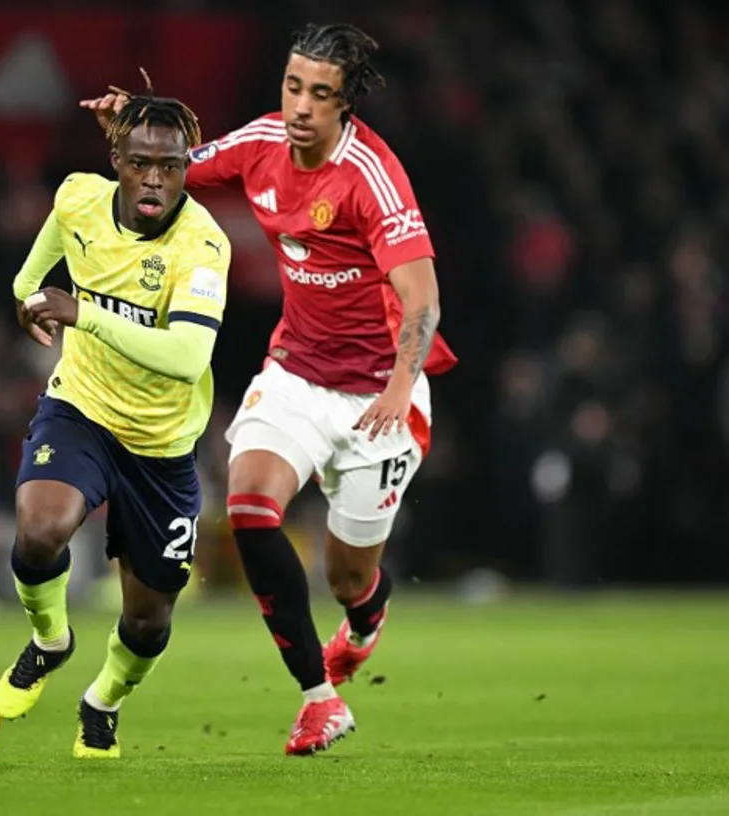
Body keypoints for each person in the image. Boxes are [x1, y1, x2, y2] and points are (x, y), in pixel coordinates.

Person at [81, 23, 456, 755]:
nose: (302, 105)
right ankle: (319, 699)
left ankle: (368, 614)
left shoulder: (371, 177)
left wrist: (398, 388)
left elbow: (422, 299)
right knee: (250, 504)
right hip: (295, 375)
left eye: (321, 93)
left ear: (346, 105)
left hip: (379, 396)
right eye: (293, 86)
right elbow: (176, 164)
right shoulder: (260, 145)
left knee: (348, 576)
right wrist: (133, 123)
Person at [0, 82, 231, 759]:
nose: (154, 179)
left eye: (170, 166)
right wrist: (29, 302)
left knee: (148, 619)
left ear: (186, 167)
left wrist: (83, 313)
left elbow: (187, 357)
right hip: (83, 408)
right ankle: (50, 641)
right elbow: (29, 282)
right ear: (117, 160)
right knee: (39, 531)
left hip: (161, 446)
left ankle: (101, 700)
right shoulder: (77, 200)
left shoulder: (204, 248)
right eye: (140, 163)